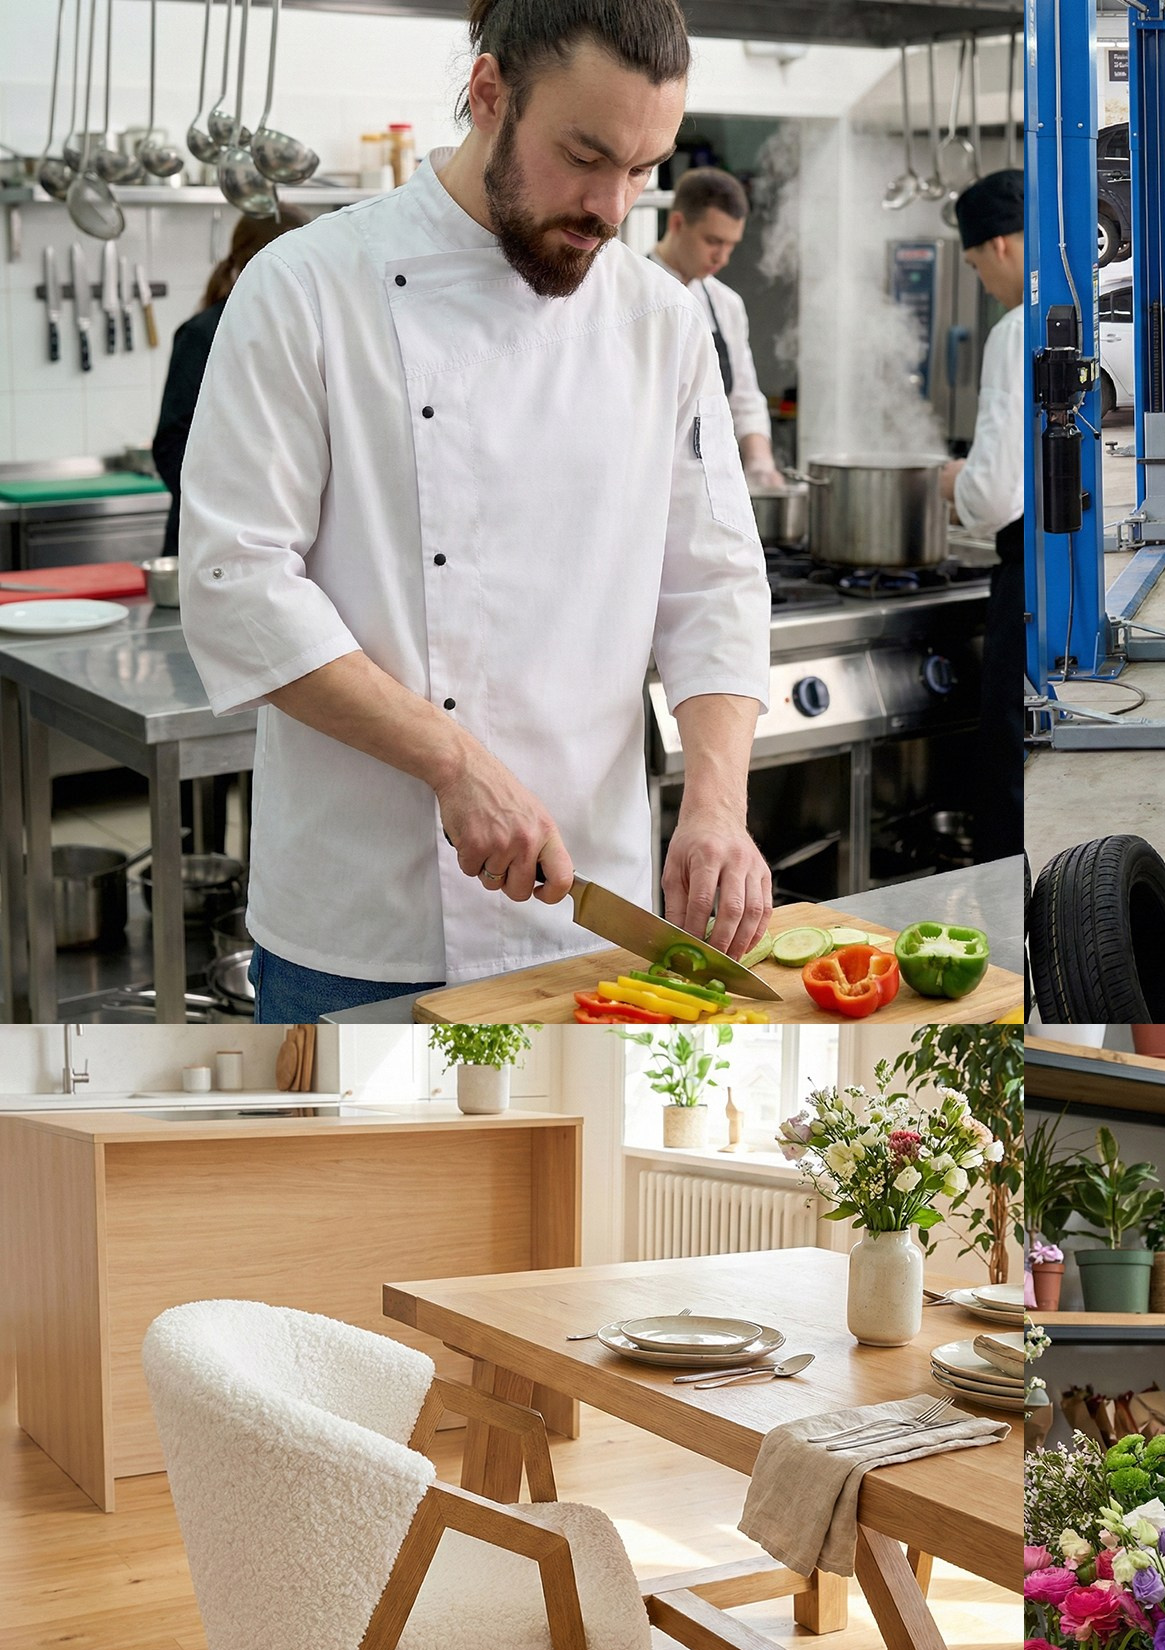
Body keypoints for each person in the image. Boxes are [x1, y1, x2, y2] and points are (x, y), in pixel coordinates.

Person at [180, 0, 774, 1023]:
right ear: (489, 93)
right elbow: (237, 584)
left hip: (595, 914)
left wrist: (718, 802)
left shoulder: (659, 319)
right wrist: (451, 761)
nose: (609, 205)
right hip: (365, 928)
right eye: (583, 155)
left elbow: (711, 578)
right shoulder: (307, 289)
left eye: (642, 170)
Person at [940, 168, 1024, 863]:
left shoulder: (1013, 330)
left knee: (1007, 764)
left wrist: (953, 483)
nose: (983, 284)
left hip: (1024, 576)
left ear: (998, 245)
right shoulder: (1082, 302)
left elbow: (993, 495)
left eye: (975, 266)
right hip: (1075, 561)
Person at [151, 208, 309, 555]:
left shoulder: (312, 332)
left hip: (292, 534)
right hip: (215, 538)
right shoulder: (204, 333)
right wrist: (230, 506)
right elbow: (171, 443)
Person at [648, 164, 783, 488]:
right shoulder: (630, 294)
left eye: (731, 245)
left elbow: (744, 397)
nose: (722, 258)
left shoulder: (727, 304)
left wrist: (760, 462)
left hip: (712, 479)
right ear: (678, 223)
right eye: (713, 241)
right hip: (650, 479)